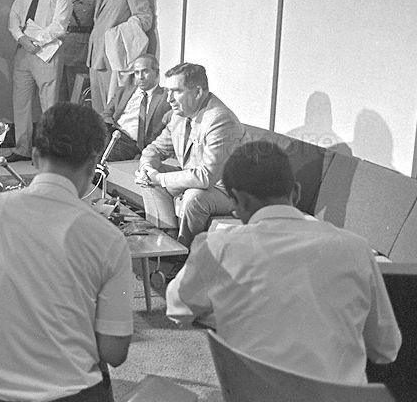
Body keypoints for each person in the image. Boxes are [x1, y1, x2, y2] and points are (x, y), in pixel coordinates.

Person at [0, 103, 134, 402]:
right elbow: (115, 352)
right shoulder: (110, 239)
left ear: (36, 157)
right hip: (68, 394)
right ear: (93, 165)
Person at [166, 140, 402, 384]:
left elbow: (177, 309)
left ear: (237, 201)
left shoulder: (217, 248)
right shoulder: (357, 248)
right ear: (296, 192)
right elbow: (386, 349)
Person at [136, 62, 246, 248]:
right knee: (147, 178)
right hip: (199, 181)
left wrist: (159, 178)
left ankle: (185, 253)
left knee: (194, 197)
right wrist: (148, 168)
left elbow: (206, 177)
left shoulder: (220, 120)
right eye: (167, 91)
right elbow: (155, 149)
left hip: (227, 191)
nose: (168, 98)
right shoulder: (179, 114)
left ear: (197, 92)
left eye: (176, 91)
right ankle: (165, 240)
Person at [6, 0, 72, 163]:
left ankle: (48, 152)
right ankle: (22, 147)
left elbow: (60, 24)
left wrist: (37, 41)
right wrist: (21, 38)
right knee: (21, 102)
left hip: (47, 54)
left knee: (49, 106)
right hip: (24, 51)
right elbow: (14, 16)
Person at [88, 0, 152, 113]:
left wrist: (116, 35)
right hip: (96, 57)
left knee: (112, 112)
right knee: (98, 113)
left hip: (113, 59)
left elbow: (144, 18)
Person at [102, 54, 169, 161]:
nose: (140, 77)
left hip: (130, 143)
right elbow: (106, 114)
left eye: (145, 71)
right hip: (111, 133)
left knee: (95, 157)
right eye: (137, 72)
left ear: (156, 73)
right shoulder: (123, 91)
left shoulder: (166, 96)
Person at [58, 0, 98, 102]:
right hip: (61, 47)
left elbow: (97, 24)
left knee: (77, 92)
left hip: (81, 49)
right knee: (60, 93)